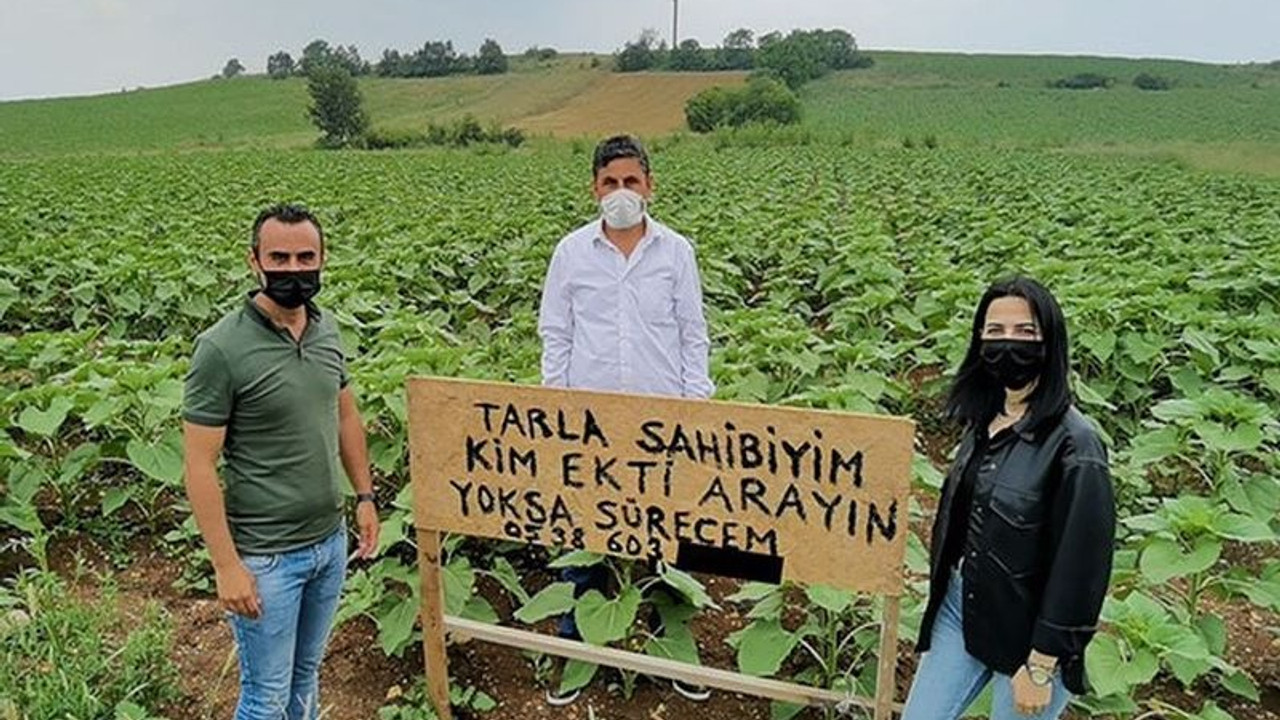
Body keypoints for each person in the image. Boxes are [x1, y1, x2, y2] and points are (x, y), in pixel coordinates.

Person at [182, 204, 379, 720]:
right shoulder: (221, 348)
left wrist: (364, 497)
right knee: (265, 697)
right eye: (280, 257)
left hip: (328, 544)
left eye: (305, 257)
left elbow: (345, 417)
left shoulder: (326, 328)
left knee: (305, 678)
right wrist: (227, 566)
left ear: (322, 259)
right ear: (255, 261)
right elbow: (200, 466)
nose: (294, 269)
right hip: (266, 557)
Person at [537, 134, 714, 705]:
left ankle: (672, 645)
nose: (620, 193)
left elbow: (693, 334)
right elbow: (556, 334)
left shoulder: (676, 252)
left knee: (669, 532)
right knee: (584, 528)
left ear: (649, 186)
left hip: (662, 418)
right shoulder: (571, 253)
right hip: (589, 421)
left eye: (630, 182)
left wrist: (696, 407)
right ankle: (575, 646)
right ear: (594, 188)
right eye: (610, 182)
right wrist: (555, 407)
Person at [901, 277, 1115, 720]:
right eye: (994, 332)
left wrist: (1041, 664)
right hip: (963, 604)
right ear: (979, 339)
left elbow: (1082, 566)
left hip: (1032, 631)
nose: (1007, 345)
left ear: (1049, 341)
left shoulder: (1077, 446)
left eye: (1025, 332)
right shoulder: (985, 420)